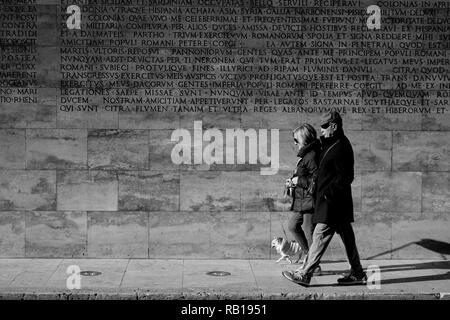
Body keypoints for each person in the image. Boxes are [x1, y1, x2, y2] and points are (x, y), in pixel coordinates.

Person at [282, 111, 367, 287]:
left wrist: (329, 194)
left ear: (334, 126)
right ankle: (358, 272)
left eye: (325, 126)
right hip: (333, 202)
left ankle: (305, 274)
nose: (321, 130)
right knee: (348, 237)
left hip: (333, 202)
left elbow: (346, 177)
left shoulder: (342, 146)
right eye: (320, 126)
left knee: (319, 235)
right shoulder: (329, 144)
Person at [285, 124, 321, 273]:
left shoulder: (312, 155)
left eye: (296, 139)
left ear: (304, 138)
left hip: (310, 201)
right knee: (293, 225)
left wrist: (297, 181)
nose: (294, 142)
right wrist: (292, 181)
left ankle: (314, 265)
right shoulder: (306, 155)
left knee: (309, 231)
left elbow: (317, 180)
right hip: (301, 200)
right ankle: (309, 256)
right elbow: (303, 176)